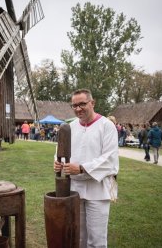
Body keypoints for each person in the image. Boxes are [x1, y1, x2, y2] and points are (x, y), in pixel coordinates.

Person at [54, 89, 119, 248]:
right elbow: (59, 151)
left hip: (97, 189)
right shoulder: (70, 127)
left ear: (92, 103)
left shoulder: (106, 126)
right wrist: (57, 162)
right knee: (79, 237)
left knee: (96, 240)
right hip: (75, 188)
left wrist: (82, 168)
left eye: (82, 104)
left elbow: (110, 159)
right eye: (74, 105)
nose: (78, 109)